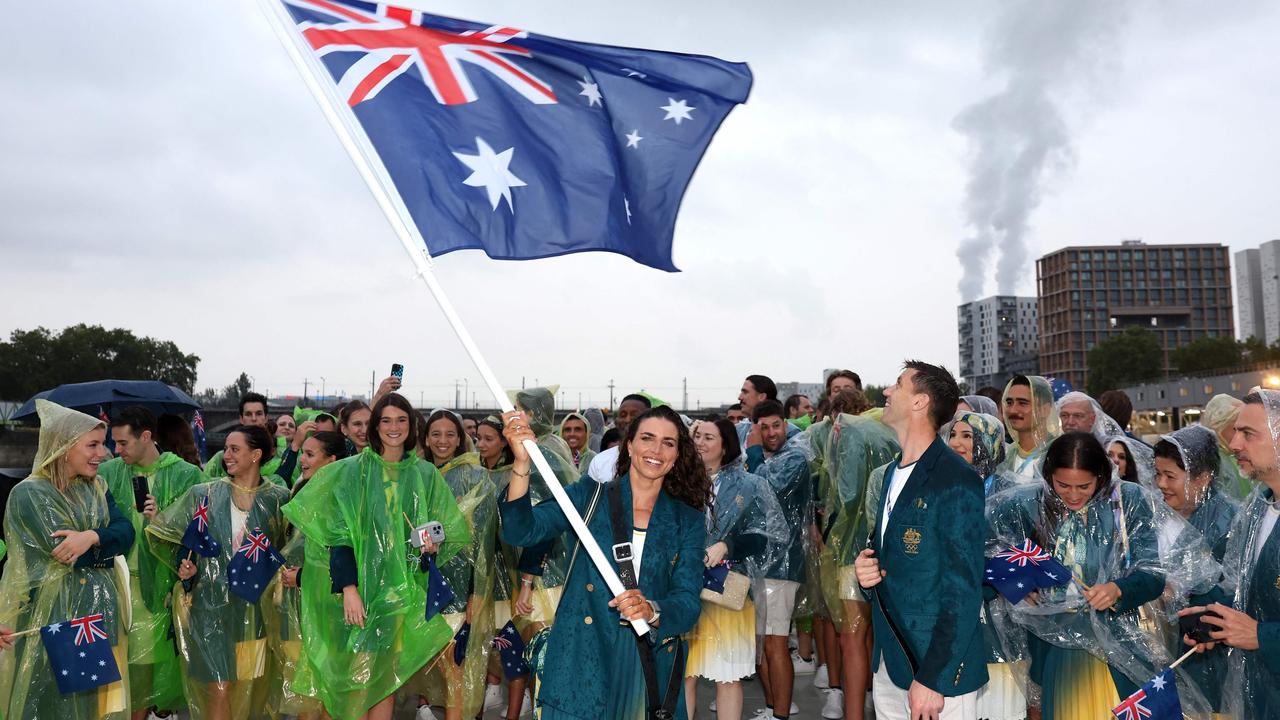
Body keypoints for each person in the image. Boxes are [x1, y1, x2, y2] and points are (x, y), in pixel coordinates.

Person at [986, 432, 1218, 719]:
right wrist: (1013, 583)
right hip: (1057, 648)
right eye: (1062, 485)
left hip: (1121, 647)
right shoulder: (1028, 504)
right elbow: (985, 548)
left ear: (1101, 476)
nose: (1072, 494)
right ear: (1049, 477)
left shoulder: (1127, 501)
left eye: (1084, 486)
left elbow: (1153, 575)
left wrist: (1118, 589)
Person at [498, 404, 709, 719]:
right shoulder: (590, 496)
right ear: (629, 445)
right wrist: (521, 463)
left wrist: (652, 609)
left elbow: (688, 602)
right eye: (647, 438)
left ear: (677, 455)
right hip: (582, 651)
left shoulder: (687, 520)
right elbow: (521, 530)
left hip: (644, 658)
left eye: (668, 443)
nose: (656, 450)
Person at [282, 393, 469, 720]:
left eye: (401, 420)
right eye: (386, 420)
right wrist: (349, 589)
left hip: (397, 595)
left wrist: (428, 548)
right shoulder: (352, 472)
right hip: (357, 595)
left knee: (385, 679)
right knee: (349, 679)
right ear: (375, 426)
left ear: (411, 426)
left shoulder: (424, 474)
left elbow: (437, 529)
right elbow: (338, 538)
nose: (393, 427)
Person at [854, 361, 986, 720]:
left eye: (897, 384)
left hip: (934, 672)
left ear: (919, 402)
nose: (886, 391)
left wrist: (933, 679)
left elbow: (964, 589)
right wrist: (867, 575)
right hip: (890, 659)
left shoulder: (956, 478)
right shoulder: (890, 474)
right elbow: (899, 565)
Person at [0, 400, 136, 719]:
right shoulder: (30, 493)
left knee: (93, 707)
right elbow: (66, 554)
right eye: (92, 445)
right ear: (62, 447)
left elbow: (126, 531)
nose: (102, 454)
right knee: (53, 704)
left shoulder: (97, 487)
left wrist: (91, 536)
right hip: (52, 619)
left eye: (102, 445)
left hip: (95, 618)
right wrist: (100, 541)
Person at [143, 423, 289, 720]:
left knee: (247, 687)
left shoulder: (278, 498)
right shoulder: (204, 494)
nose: (227, 456)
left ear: (256, 454)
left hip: (255, 610)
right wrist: (186, 565)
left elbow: (288, 548)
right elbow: (178, 537)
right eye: (226, 449)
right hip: (210, 607)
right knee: (219, 688)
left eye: (235, 449)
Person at [1177, 390, 1280, 719]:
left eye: (1248, 433)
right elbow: (1244, 586)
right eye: (1235, 432)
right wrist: (1215, 618)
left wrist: (1261, 635)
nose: (1234, 444)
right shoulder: (1258, 508)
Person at [99, 406, 205, 719]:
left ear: (146, 437)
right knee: (114, 662)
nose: (116, 450)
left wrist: (161, 519)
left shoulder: (187, 476)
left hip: (156, 585)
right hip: (112, 581)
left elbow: (197, 535)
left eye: (122, 443)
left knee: (145, 664)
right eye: (114, 443)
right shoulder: (109, 473)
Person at [684, 418, 787, 720]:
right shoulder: (677, 481)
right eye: (696, 436)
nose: (699, 443)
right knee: (684, 673)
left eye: (708, 438)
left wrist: (727, 545)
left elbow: (765, 536)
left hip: (729, 589)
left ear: (726, 446)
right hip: (683, 588)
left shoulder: (750, 485)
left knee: (727, 676)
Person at [943, 411, 1027, 720]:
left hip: (999, 612)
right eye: (954, 434)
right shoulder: (942, 484)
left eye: (968, 436)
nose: (957, 442)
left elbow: (1022, 554)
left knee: (999, 699)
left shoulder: (1011, 492)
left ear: (989, 442)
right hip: (952, 606)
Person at [416, 410, 497, 720]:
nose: (443, 441)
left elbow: (484, 542)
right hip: (420, 582)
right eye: (436, 434)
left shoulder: (475, 476)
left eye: (450, 434)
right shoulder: (419, 474)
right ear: (425, 437)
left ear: (461, 439)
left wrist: (476, 593)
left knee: (455, 665)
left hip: (457, 587)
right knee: (430, 660)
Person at [824, 391, 900, 720]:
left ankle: (854, 712)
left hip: (854, 550)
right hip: (889, 547)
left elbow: (848, 493)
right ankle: (872, 700)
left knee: (852, 636)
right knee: (874, 633)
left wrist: (831, 531)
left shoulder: (851, 433)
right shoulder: (886, 429)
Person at [1151, 425, 1238, 712]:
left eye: (1170, 476)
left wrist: (1176, 588)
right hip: (1168, 649)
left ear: (1202, 478)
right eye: (1157, 474)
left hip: (1209, 655)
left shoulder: (1228, 522)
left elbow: (1233, 591)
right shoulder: (1160, 515)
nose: (1161, 484)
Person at [266, 431, 348, 720]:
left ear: (332, 460)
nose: (303, 459)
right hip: (297, 606)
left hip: (328, 606)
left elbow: (340, 553)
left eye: (311, 454)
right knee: (305, 690)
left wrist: (305, 576)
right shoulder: (302, 489)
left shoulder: (342, 498)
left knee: (326, 687)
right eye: (304, 452)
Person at [745, 399, 812, 720]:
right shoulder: (756, 459)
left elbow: (765, 490)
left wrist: (754, 451)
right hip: (756, 564)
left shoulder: (795, 459)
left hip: (781, 566)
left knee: (775, 642)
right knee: (760, 646)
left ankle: (781, 713)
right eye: (763, 427)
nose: (771, 433)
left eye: (776, 425)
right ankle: (774, 708)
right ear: (754, 427)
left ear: (786, 424)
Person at [205, 393, 284, 481]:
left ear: (266, 418)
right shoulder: (222, 458)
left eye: (259, 414)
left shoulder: (281, 456)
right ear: (241, 419)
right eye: (248, 414)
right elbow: (204, 484)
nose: (254, 418)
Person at [999, 376, 1059, 481]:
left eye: (1022, 403)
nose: (1013, 410)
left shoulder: (1058, 454)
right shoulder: (1004, 456)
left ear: (1044, 409)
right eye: (1009, 403)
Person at [588, 394, 653, 482]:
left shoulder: (659, 458)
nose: (627, 420)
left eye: (635, 415)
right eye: (623, 415)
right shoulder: (599, 462)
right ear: (617, 421)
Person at [1200, 393, 1252, 499]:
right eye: (1235, 429)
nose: (1241, 436)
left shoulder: (1236, 456)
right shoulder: (1211, 462)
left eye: (1245, 430)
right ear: (1218, 427)